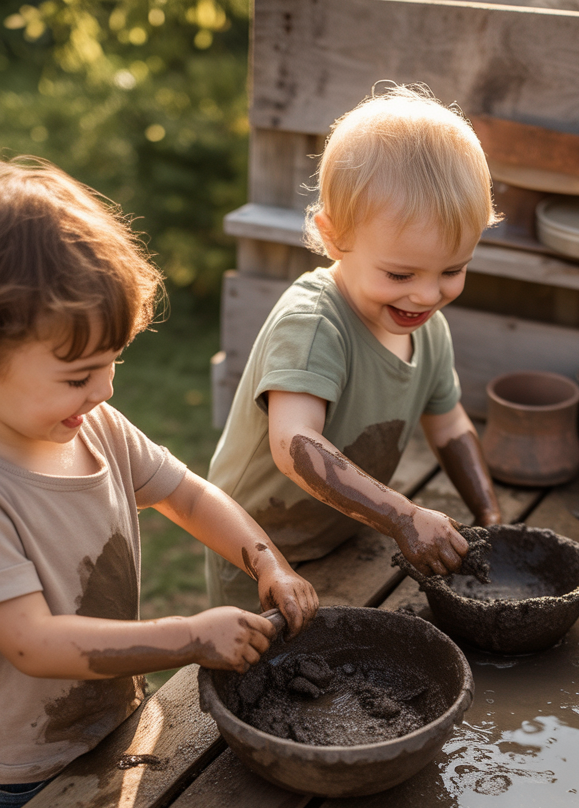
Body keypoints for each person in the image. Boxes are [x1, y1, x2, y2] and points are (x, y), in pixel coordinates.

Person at [0, 157, 318, 808]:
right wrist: (187, 636)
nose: (104, 392)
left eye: (112, 364)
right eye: (78, 375)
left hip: (111, 713)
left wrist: (265, 560)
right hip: (20, 764)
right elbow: (33, 646)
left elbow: (187, 494)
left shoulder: (93, 426)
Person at [207, 84, 503, 612]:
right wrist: (405, 518)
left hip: (347, 534)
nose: (427, 294)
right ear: (335, 235)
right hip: (262, 555)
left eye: (453, 270)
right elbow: (293, 442)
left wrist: (491, 518)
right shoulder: (315, 323)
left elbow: (450, 424)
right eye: (400, 273)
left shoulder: (428, 329)